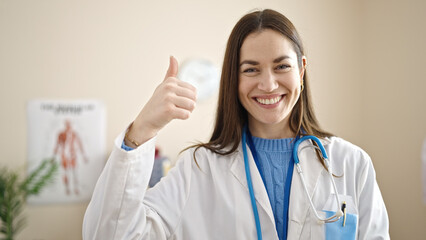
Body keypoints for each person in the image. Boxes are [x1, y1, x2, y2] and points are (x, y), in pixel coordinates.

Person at [83, 9, 389, 240]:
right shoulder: (198, 169)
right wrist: (141, 130)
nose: (268, 85)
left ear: (302, 69)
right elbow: (109, 235)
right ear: (234, 77)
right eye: (251, 69)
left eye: (282, 66)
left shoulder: (352, 164)